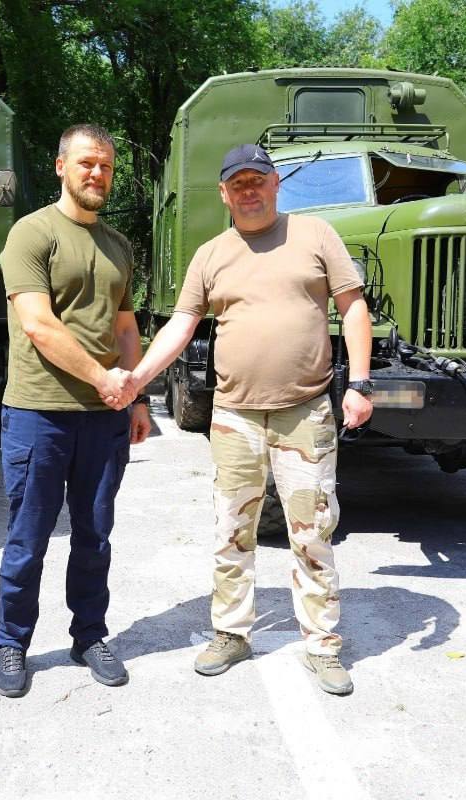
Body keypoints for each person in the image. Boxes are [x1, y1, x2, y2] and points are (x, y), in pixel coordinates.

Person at [130, 143, 373, 695]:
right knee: (232, 530)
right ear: (223, 192)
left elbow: (353, 306)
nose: (248, 190)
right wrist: (138, 377)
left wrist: (359, 383)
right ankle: (232, 633)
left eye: (257, 180)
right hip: (234, 416)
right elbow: (181, 324)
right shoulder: (211, 254)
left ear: (275, 183)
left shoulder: (314, 236)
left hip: (304, 411)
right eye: (237, 182)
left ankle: (322, 645)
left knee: (312, 531)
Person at [0, 123, 152, 698]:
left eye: (107, 166)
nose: (97, 174)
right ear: (61, 166)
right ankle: (12, 644)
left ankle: (89, 636)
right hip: (41, 413)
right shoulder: (30, 234)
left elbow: (126, 324)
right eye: (87, 163)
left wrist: (135, 394)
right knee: (27, 538)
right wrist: (104, 379)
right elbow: (38, 324)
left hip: (105, 416)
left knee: (94, 535)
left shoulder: (117, 245)